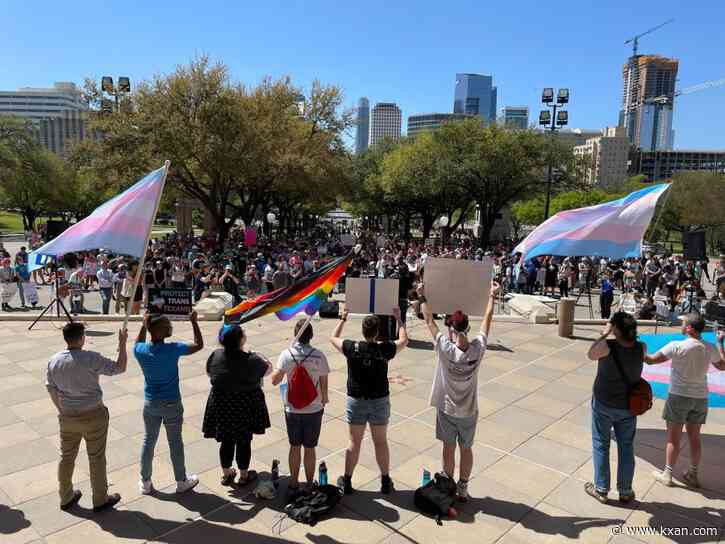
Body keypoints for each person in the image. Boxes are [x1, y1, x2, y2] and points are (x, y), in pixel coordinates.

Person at [418, 280, 499, 501]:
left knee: (448, 447)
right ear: (467, 328)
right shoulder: (477, 350)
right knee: (466, 448)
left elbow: (428, 320)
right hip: (468, 410)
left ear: (451, 329)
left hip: (447, 408)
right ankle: (463, 488)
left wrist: (422, 296)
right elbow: (487, 320)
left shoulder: (445, 349)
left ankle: (447, 485)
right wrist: (491, 295)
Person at [46, 323, 128, 512]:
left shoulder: (54, 360)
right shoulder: (91, 358)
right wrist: (122, 343)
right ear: (82, 338)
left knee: (66, 457)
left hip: (67, 416)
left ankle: (65, 496)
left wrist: (61, 408)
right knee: (96, 457)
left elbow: (50, 387)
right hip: (93, 415)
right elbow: (120, 367)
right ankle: (100, 499)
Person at [330, 306, 408, 495]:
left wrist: (342, 319)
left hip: (356, 400)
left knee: (353, 442)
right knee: (380, 441)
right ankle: (385, 480)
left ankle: (347, 481)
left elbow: (332, 338)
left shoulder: (352, 347)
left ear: (363, 331)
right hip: (379, 400)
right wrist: (398, 319)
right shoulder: (385, 349)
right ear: (378, 331)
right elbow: (404, 340)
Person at [645, 313, 725, 488]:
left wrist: (638, 348)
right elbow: (722, 365)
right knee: (694, 437)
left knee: (673, 437)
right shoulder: (709, 347)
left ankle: (667, 474)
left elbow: (651, 361)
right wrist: (720, 343)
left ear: (689, 328)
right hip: (700, 398)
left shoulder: (677, 346)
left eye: (683, 323)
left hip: (679, 396)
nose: (681, 325)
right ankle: (693, 474)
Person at [134, 311, 204, 495]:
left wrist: (144, 324)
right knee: (175, 442)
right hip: (172, 403)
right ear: (166, 331)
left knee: (149, 441)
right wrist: (194, 322)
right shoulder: (173, 349)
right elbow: (198, 345)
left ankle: (145, 481)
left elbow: (137, 342)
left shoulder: (140, 350)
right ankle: (181, 481)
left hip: (151, 403)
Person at [585, 312, 645, 504]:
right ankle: (625, 490)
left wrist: (604, 332)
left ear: (616, 329)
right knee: (626, 446)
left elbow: (590, 354)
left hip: (603, 403)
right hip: (628, 406)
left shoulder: (606, 347)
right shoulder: (641, 347)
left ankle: (602, 488)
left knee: (601, 444)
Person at [202, 324, 272, 487]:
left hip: (222, 406)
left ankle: (227, 474)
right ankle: (243, 476)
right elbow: (268, 370)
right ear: (240, 340)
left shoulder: (215, 355)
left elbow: (209, 372)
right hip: (244, 406)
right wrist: (261, 357)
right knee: (243, 440)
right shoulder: (252, 359)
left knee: (226, 440)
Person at [272, 319, 330, 500]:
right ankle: (309, 483)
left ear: (295, 335)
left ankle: (293, 482)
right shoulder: (319, 356)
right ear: (311, 336)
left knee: (294, 446)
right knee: (310, 448)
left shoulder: (286, 354)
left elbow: (274, 380)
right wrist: (324, 399)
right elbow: (323, 383)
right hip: (313, 409)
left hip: (292, 409)